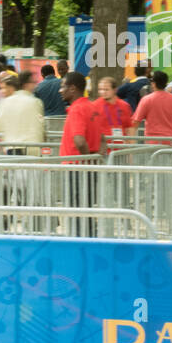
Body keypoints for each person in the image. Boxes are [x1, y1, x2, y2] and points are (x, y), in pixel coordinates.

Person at [59, 72, 103, 235]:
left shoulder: (77, 109)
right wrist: (94, 158)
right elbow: (103, 138)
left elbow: (79, 140)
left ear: (73, 88)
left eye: (62, 86)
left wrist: (85, 160)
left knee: (77, 213)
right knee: (87, 210)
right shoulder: (92, 107)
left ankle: (80, 246)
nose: (60, 90)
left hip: (76, 168)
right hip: (87, 168)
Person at [0, 71, 45, 150]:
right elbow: (39, 125)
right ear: (26, 84)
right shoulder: (35, 102)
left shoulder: (4, 102)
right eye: (33, 82)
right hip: (30, 148)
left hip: (11, 147)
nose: (35, 85)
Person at [132, 71, 172, 143]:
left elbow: (136, 122)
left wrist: (130, 141)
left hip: (153, 144)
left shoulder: (146, 100)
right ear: (166, 83)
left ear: (153, 84)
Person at [94, 75, 136, 151]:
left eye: (106, 90)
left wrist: (131, 150)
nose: (102, 92)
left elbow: (129, 128)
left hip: (121, 151)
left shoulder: (124, 106)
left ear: (115, 90)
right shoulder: (94, 106)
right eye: (100, 89)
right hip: (102, 151)